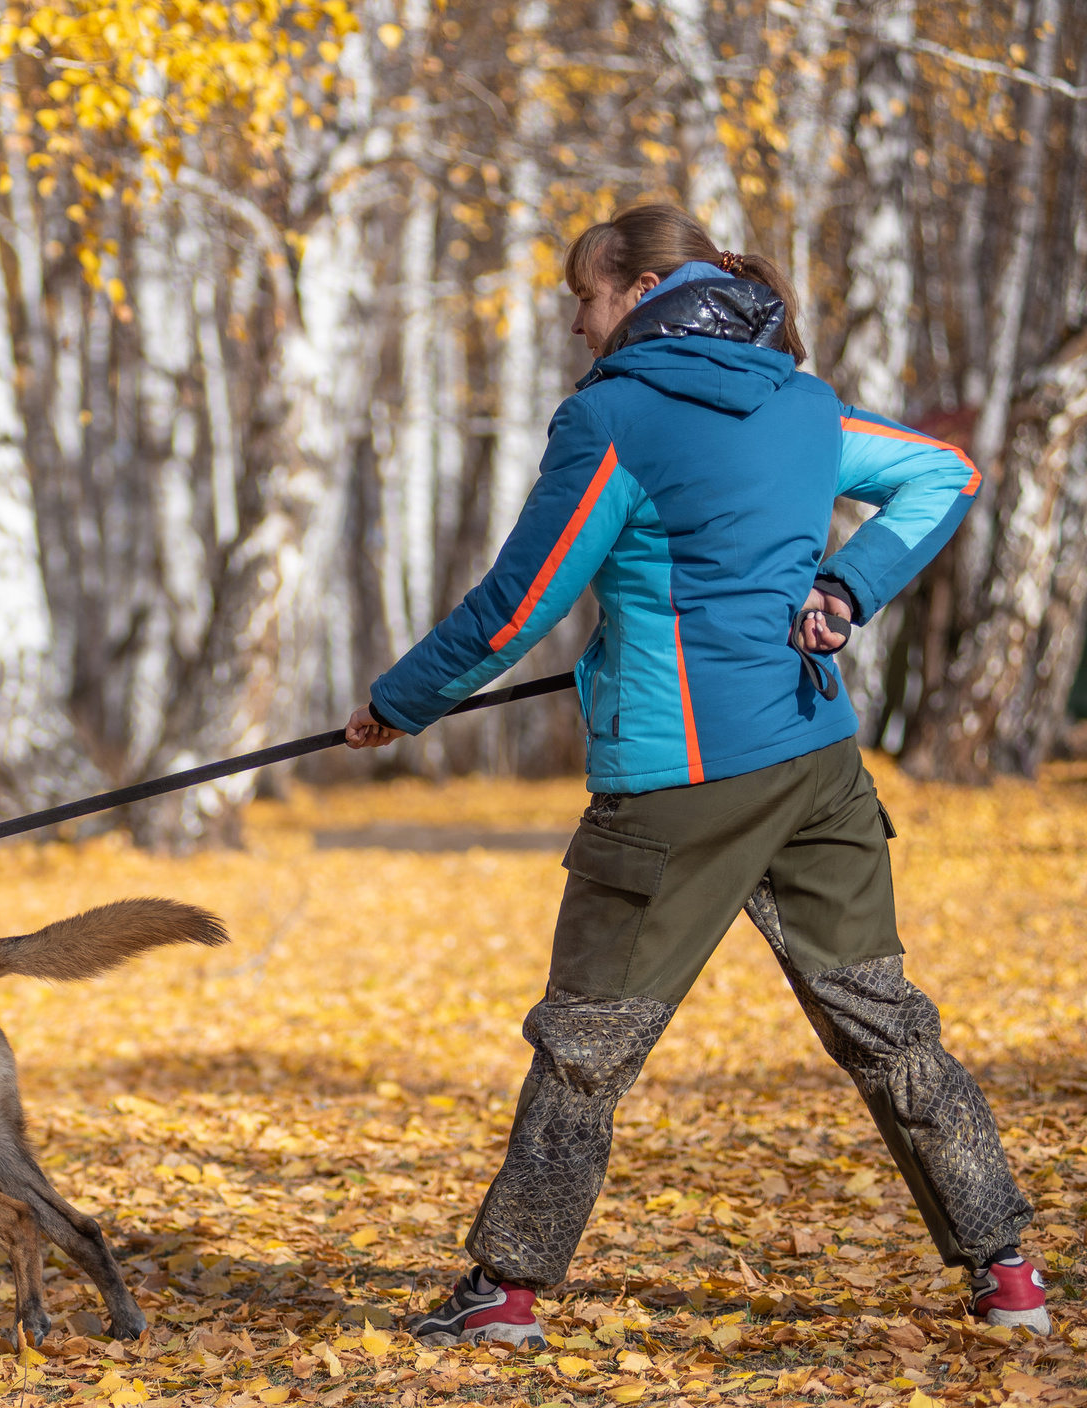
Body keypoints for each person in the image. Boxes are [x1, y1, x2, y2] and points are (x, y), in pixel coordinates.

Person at [345, 203, 1046, 1346]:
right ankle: (1009, 1275)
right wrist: (847, 586)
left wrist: (398, 701)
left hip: (678, 787)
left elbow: (518, 603)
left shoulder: (613, 416)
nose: (577, 323)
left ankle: (506, 1294)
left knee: (585, 1041)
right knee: (888, 1026)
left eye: (584, 295)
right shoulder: (801, 402)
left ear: (637, 288)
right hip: (815, 763)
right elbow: (941, 473)